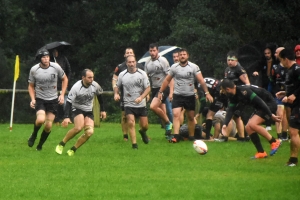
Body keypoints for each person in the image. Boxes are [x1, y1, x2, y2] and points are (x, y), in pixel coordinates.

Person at [158, 48, 213, 143]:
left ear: (187, 56)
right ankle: (176, 136)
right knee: (176, 114)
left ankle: (191, 137)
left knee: (191, 117)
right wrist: (160, 92)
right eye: (181, 55)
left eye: (184, 54)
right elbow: (167, 80)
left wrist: (207, 93)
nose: (182, 56)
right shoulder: (174, 67)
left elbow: (201, 80)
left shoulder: (194, 67)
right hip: (178, 95)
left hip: (190, 95)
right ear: (178, 57)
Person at [220, 79, 281, 158]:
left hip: (268, 104)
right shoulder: (233, 96)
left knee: (252, 124)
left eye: (223, 90)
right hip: (260, 107)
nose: (222, 92)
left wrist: (270, 114)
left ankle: (274, 141)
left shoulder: (243, 91)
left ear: (227, 89)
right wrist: (225, 124)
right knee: (248, 127)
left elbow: (260, 101)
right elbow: (230, 110)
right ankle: (261, 152)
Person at [55, 69, 106, 156]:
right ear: (83, 78)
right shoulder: (76, 87)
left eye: (92, 77)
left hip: (88, 110)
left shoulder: (95, 85)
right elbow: (69, 102)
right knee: (78, 128)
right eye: (89, 77)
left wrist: (103, 110)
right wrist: (66, 117)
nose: (92, 79)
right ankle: (62, 144)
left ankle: (73, 149)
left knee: (89, 132)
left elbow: (100, 97)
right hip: (77, 108)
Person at [27, 49, 68, 150]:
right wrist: (32, 99)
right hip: (40, 99)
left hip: (53, 100)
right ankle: (34, 134)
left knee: (48, 126)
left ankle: (40, 146)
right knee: (40, 120)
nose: (46, 59)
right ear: (40, 58)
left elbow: (65, 79)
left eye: (47, 57)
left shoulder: (56, 66)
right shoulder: (34, 70)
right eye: (44, 57)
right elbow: (31, 86)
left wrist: (62, 95)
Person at [114, 55, 151, 149]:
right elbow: (117, 87)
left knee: (145, 126)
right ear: (126, 63)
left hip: (141, 103)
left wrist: (142, 97)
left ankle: (142, 132)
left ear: (136, 62)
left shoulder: (142, 73)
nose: (131, 64)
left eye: (133, 62)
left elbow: (148, 88)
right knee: (131, 122)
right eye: (129, 62)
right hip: (128, 103)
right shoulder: (122, 74)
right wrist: (116, 94)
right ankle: (134, 145)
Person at [112, 48, 144, 141]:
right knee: (124, 116)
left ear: (134, 55)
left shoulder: (140, 66)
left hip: (139, 95)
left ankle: (142, 133)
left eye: (131, 53)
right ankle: (125, 136)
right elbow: (114, 80)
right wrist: (116, 93)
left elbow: (145, 81)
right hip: (125, 95)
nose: (129, 54)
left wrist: (146, 94)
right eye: (127, 53)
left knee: (142, 116)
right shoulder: (120, 67)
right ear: (124, 55)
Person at [276, 48, 300, 166]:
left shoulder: (297, 69)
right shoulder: (290, 70)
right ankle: (293, 160)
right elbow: (296, 86)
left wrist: (294, 95)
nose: (281, 63)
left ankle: (293, 160)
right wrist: (285, 93)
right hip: (295, 105)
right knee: (294, 131)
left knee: (293, 131)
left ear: (285, 59)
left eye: (281, 60)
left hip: (298, 105)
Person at [144, 43, 173, 137]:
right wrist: (146, 92)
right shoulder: (147, 62)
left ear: (158, 51)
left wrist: (171, 91)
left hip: (163, 88)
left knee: (153, 107)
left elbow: (170, 77)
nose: (152, 53)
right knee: (162, 112)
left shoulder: (163, 61)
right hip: (154, 88)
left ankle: (169, 123)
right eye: (151, 51)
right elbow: (145, 78)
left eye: (154, 51)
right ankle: (168, 134)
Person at [224, 50, 249, 140]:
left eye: (232, 60)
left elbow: (247, 83)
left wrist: (245, 96)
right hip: (231, 96)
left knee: (237, 116)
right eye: (228, 60)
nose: (230, 62)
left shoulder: (239, 69)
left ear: (236, 61)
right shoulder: (227, 70)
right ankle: (243, 136)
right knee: (236, 117)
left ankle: (243, 136)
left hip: (240, 96)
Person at [271, 47, 289, 140]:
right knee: (280, 112)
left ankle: (285, 134)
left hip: (289, 93)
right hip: (278, 93)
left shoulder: (290, 66)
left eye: (276, 53)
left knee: (286, 114)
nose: (274, 54)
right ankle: (279, 135)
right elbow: (273, 80)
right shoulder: (275, 67)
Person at [51, 48, 72, 125]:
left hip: (63, 84)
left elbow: (69, 71)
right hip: (53, 85)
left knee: (65, 101)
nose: (55, 53)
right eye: (54, 52)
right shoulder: (50, 60)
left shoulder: (63, 59)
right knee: (54, 103)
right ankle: (56, 119)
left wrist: (67, 81)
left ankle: (66, 117)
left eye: (56, 51)